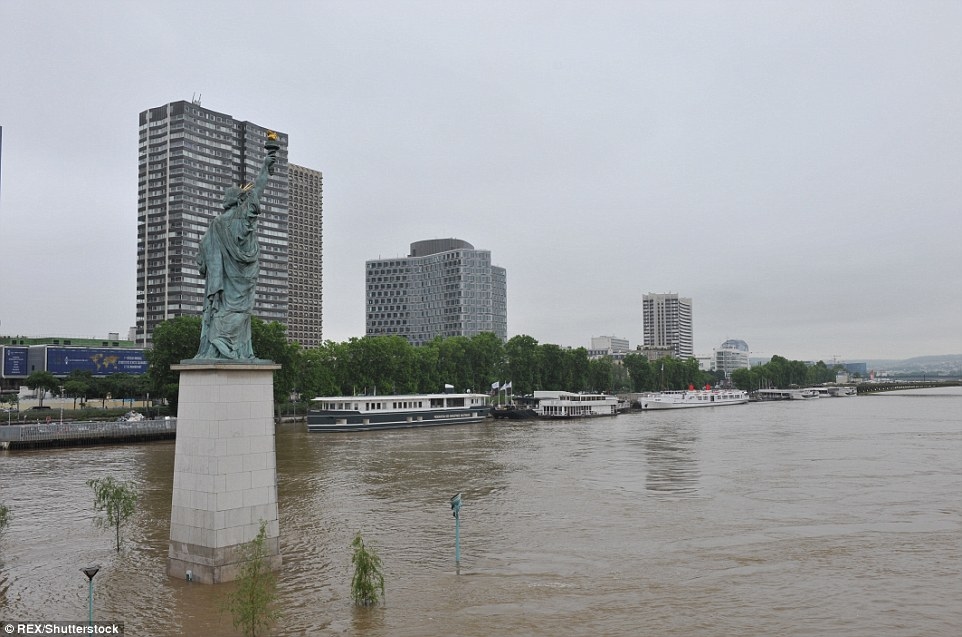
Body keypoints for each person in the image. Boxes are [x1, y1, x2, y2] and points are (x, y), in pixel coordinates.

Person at [194, 148, 277, 360]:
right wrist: (264, 168)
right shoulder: (242, 216)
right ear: (241, 202)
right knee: (241, 312)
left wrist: (208, 267)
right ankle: (233, 348)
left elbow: (204, 250)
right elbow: (258, 189)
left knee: (224, 310)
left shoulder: (218, 223)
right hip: (245, 275)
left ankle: (225, 346)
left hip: (225, 277)